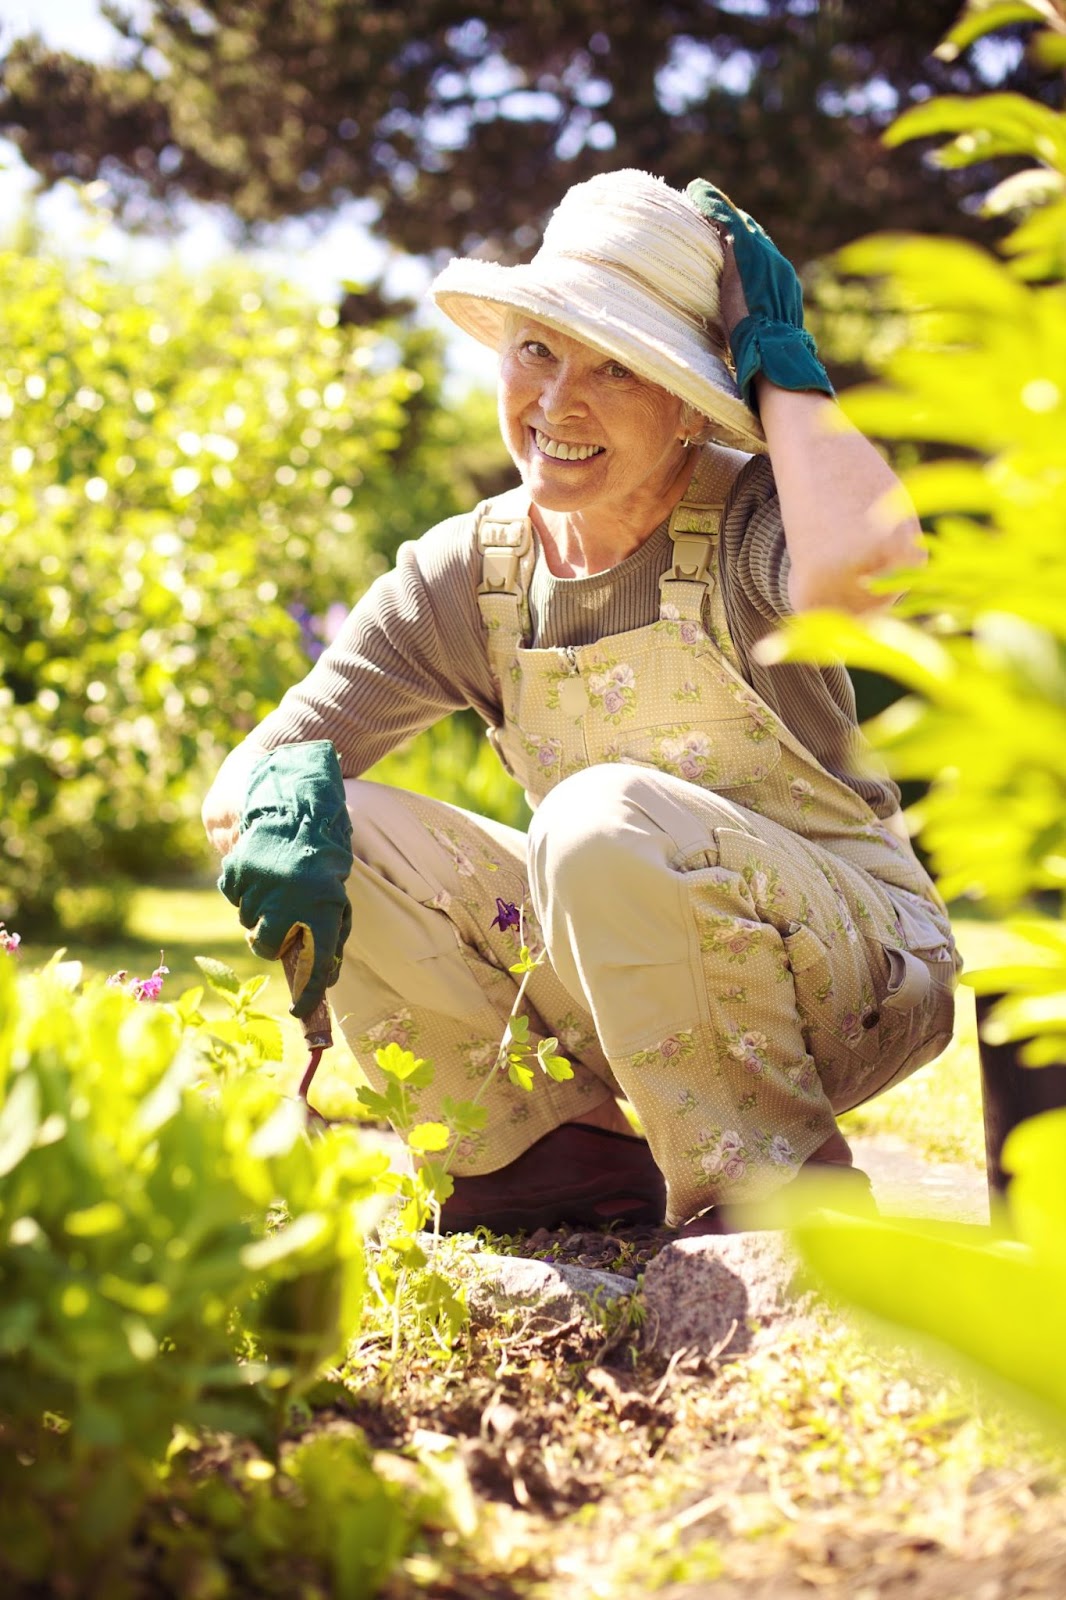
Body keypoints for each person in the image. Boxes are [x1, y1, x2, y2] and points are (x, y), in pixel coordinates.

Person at [202, 169, 959, 1235]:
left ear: (690, 405)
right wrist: (271, 818)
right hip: (626, 997)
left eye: (618, 366)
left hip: (852, 978)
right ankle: (541, 1158)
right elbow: (253, 773)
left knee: (597, 816)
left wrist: (782, 364)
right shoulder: (469, 573)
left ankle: (771, 1189)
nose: (557, 402)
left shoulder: (746, 520)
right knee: (335, 809)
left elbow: (867, 570)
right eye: (538, 349)